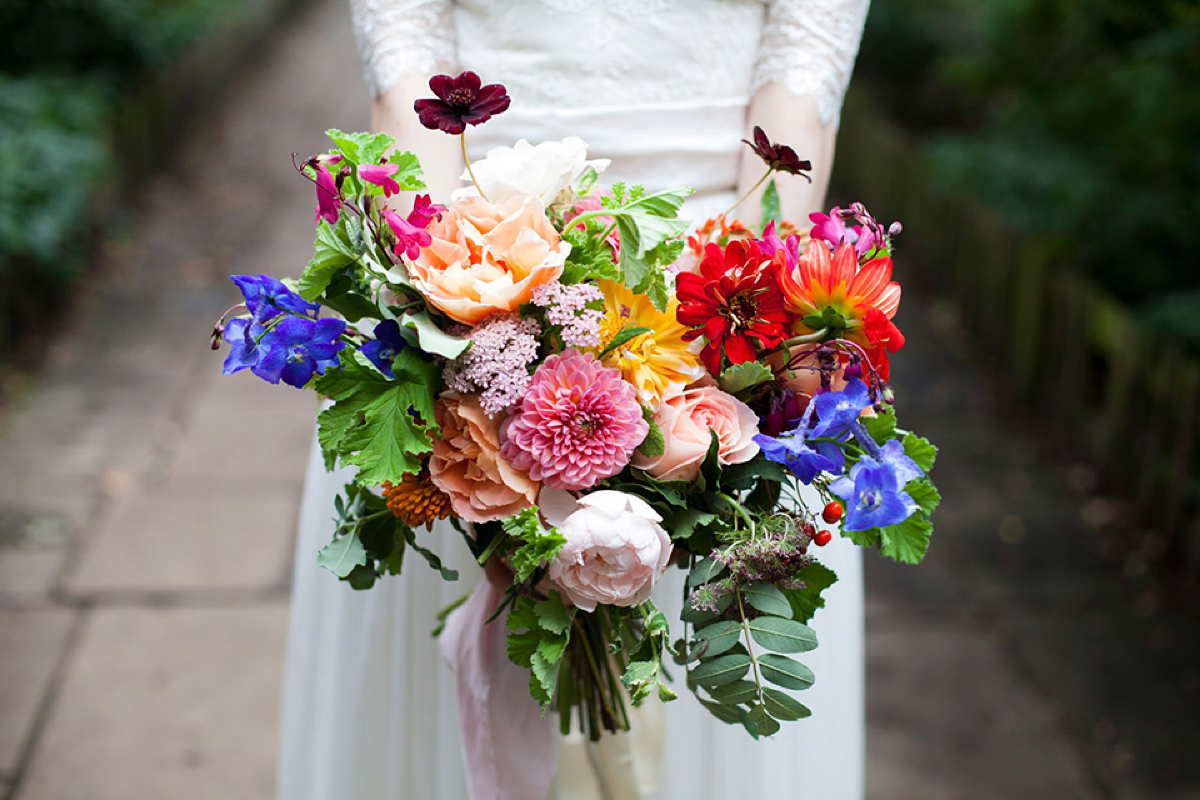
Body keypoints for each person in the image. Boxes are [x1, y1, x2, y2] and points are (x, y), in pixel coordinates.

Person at [276, 1, 871, 797]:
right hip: (492, 282)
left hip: (678, 309)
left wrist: (720, 366)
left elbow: (409, 53)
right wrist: (462, 341)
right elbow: (798, 86)